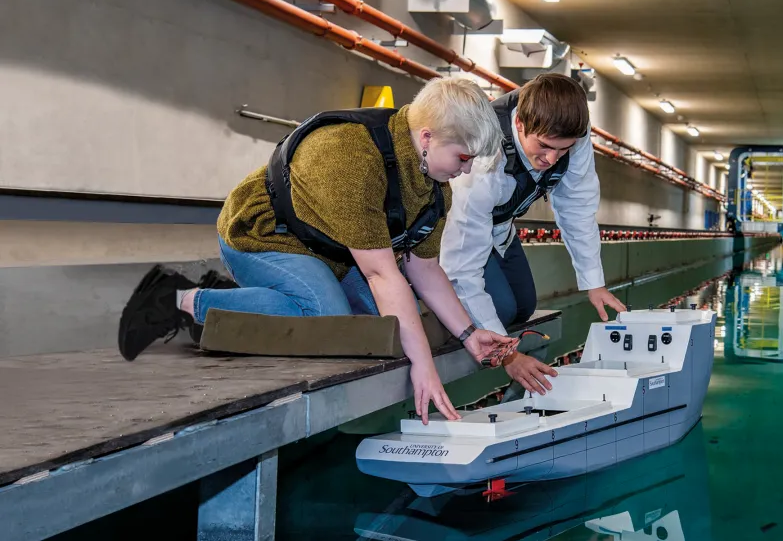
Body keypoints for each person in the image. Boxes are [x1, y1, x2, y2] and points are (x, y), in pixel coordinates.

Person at [118, 77, 519, 423]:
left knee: (395, 324)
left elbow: (425, 269)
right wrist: (425, 369)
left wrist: (469, 334)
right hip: (264, 236)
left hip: (330, 252)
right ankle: (180, 298)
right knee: (328, 320)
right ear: (428, 137)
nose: (465, 171)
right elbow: (382, 274)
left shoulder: (431, 185)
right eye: (463, 158)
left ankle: (246, 298)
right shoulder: (350, 156)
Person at [440, 73, 627, 395]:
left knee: (524, 307)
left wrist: (594, 283)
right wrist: (507, 356)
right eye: (543, 147)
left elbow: (577, 208)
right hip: (454, 230)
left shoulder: (573, 138)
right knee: (501, 309)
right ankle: (428, 302)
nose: (551, 159)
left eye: (562, 150)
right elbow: (461, 266)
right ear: (521, 125)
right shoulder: (485, 155)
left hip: (501, 228)